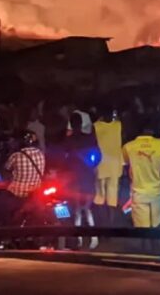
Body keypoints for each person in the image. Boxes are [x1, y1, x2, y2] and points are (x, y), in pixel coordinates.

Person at [123, 119, 160, 228]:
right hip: (156, 193)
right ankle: (156, 245)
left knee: (142, 230)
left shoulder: (129, 147)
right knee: (156, 227)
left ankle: (145, 245)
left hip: (139, 193)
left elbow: (124, 163)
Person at [65, 112, 99, 249]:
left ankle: (78, 239)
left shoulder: (68, 141)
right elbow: (98, 155)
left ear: (72, 125)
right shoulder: (89, 139)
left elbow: (64, 160)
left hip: (74, 180)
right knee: (88, 209)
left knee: (77, 211)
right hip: (88, 178)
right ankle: (94, 238)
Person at [93, 107, 123, 224]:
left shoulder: (96, 126)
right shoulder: (118, 125)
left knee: (99, 197)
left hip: (100, 166)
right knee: (112, 199)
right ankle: (110, 225)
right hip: (115, 167)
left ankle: (102, 224)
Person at [4, 130, 45, 199]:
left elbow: (7, 169)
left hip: (17, 192)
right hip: (36, 191)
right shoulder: (41, 153)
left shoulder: (16, 155)